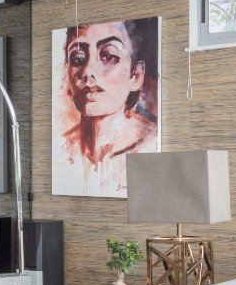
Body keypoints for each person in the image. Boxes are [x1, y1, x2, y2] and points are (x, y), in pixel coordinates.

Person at [53, 18, 160, 197]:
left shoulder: (150, 146)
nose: (87, 71)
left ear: (136, 75)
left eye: (108, 56)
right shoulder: (61, 149)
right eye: (78, 58)